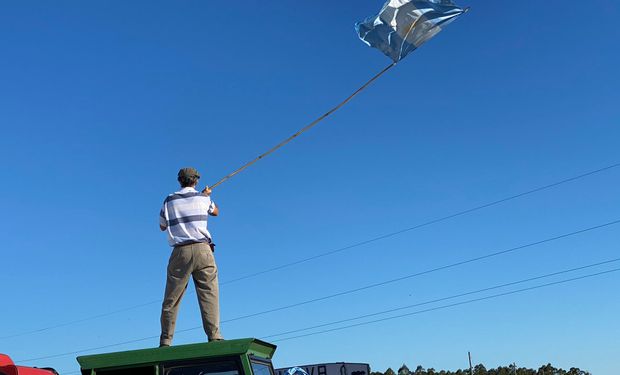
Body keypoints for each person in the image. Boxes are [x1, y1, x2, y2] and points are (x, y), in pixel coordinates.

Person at [158, 167, 223, 346]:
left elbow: (162, 226)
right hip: (203, 250)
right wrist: (206, 195)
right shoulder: (203, 199)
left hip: (180, 252)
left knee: (172, 297)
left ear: (180, 180)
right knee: (209, 294)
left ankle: (166, 340)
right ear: (196, 180)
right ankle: (214, 336)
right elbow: (216, 211)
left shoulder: (169, 200)